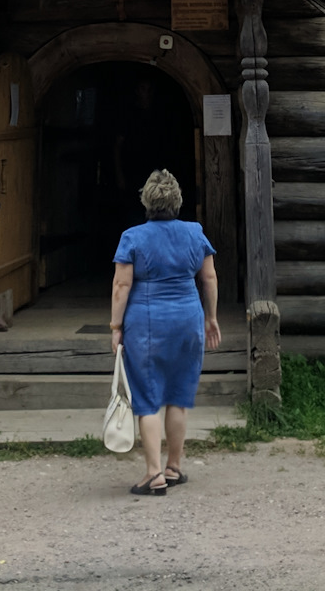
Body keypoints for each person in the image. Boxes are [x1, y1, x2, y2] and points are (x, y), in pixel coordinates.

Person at [109, 166, 220, 496]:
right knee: (177, 396)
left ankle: (153, 474)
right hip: (188, 319)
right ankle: (174, 467)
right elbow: (209, 278)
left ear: (146, 202)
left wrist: (116, 327)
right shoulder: (195, 232)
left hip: (147, 323)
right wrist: (211, 317)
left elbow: (121, 285)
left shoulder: (133, 237)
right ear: (177, 201)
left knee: (147, 399)